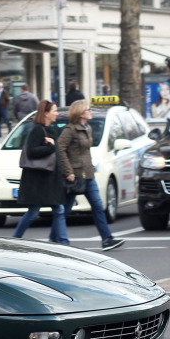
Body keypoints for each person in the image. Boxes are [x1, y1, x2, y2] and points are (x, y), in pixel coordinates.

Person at [58, 100, 124, 251]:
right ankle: (55, 239)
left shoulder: (87, 128)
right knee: (64, 210)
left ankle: (107, 239)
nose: (90, 112)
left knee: (98, 206)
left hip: (88, 174)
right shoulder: (69, 130)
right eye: (88, 110)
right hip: (74, 175)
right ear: (81, 113)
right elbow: (60, 149)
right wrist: (68, 171)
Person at [12, 101, 68, 245]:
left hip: (48, 179)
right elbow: (31, 152)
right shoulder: (37, 130)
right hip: (38, 180)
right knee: (33, 213)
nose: (57, 113)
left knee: (59, 209)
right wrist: (50, 146)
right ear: (46, 113)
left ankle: (62, 241)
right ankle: (15, 239)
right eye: (55, 111)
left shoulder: (50, 130)